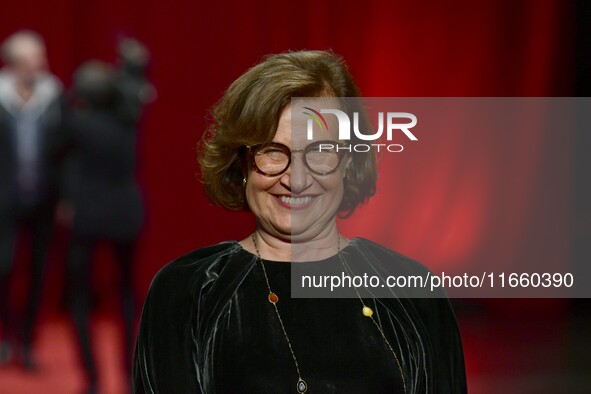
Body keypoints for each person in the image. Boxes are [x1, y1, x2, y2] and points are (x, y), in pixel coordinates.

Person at [133, 50, 466, 393]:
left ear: (348, 161)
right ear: (242, 161)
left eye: (320, 150)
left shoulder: (411, 291)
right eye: (273, 151)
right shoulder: (188, 293)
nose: (296, 179)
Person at [62, 42, 152, 394]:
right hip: (125, 213)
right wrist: (131, 67)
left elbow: (62, 113)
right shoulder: (128, 121)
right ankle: (129, 377)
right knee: (128, 293)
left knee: (80, 297)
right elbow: (135, 91)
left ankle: (93, 378)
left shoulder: (77, 124)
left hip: (86, 216)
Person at [0, 30, 65, 369]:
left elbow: (65, 150)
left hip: (43, 200)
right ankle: (5, 336)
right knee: (4, 267)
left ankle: (26, 342)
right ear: (15, 63)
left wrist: (64, 197)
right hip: (4, 202)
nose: (42, 65)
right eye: (34, 60)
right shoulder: (1, 94)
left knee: (38, 271)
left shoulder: (52, 94)